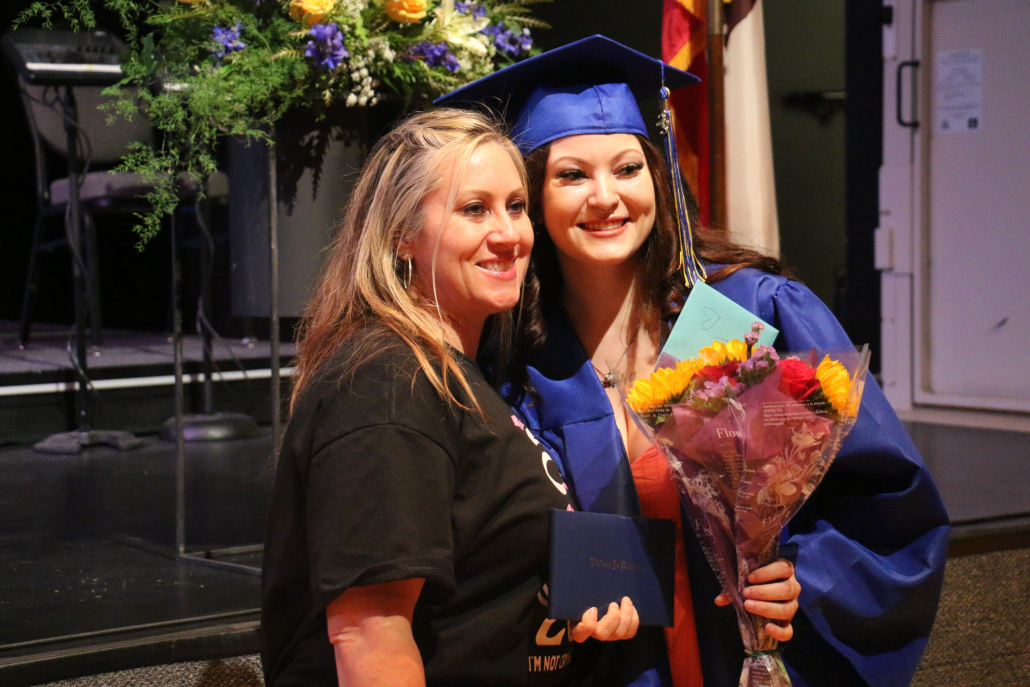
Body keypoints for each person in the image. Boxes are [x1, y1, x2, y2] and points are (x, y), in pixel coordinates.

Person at [438, 36, 950, 687]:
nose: (605, 196)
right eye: (571, 175)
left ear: (660, 176)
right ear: (533, 195)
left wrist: (803, 576)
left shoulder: (745, 314)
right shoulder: (517, 359)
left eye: (628, 168)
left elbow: (887, 499)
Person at [260, 108, 641, 687]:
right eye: (473, 209)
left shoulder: (459, 374)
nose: (509, 234)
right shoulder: (386, 382)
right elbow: (370, 633)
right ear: (401, 234)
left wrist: (586, 602)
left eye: (516, 207)